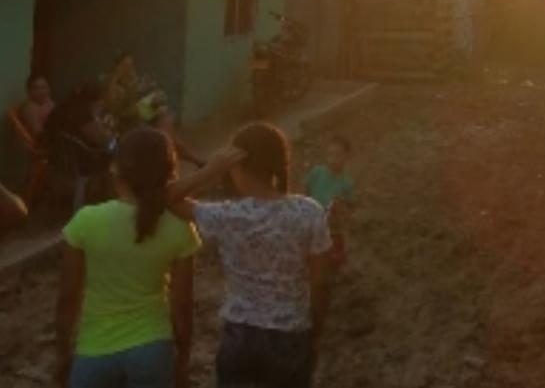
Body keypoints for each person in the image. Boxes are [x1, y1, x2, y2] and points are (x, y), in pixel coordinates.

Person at [169, 122, 333, 388]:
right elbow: (321, 282)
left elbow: (165, 197)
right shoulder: (309, 212)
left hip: (240, 336)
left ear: (237, 166)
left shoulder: (227, 215)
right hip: (291, 334)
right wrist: (315, 334)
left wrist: (210, 170)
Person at [54, 127, 201, 388]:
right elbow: (182, 307)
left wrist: (63, 352)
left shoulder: (86, 221)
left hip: (94, 352)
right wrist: (182, 360)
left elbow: (69, 296)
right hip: (152, 350)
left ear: (115, 168)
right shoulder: (179, 227)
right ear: (170, 172)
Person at [304, 135, 357, 270]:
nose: (333, 159)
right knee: (313, 256)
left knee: (334, 258)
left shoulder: (347, 182)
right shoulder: (317, 172)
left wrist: (342, 211)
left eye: (338, 155)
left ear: (347, 156)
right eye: (330, 154)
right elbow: (306, 191)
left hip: (334, 227)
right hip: (314, 223)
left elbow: (351, 206)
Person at [19, 73, 55, 138]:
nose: (41, 92)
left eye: (43, 87)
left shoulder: (47, 101)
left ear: (48, 89)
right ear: (29, 91)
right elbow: (39, 134)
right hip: (45, 139)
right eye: (36, 88)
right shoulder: (30, 108)